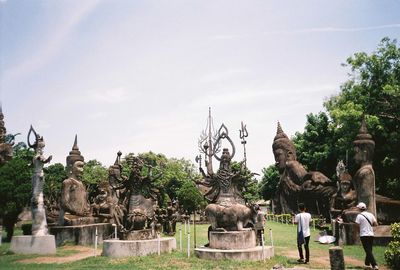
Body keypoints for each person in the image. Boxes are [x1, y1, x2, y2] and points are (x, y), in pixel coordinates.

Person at [355, 202, 379, 270]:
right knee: (369, 250)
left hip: (363, 235)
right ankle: (367, 264)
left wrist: (358, 232)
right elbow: (376, 224)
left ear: (359, 208)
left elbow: (356, 225)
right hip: (371, 234)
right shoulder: (371, 214)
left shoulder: (359, 216)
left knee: (368, 250)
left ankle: (375, 265)